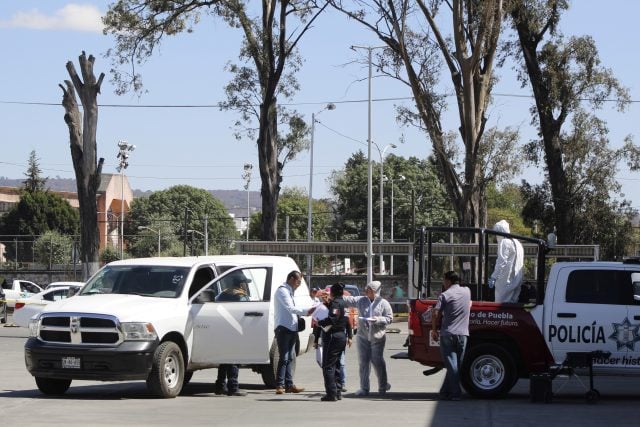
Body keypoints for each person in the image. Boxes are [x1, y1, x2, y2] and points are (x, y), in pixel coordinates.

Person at [342, 280, 393, 397]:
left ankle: (382, 386)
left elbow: (389, 318)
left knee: (377, 361)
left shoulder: (383, 303)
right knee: (363, 362)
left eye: (368, 289)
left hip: (377, 337)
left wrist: (378, 320)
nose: (365, 291)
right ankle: (364, 388)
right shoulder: (361, 300)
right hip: (362, 336)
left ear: (374, 291)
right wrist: (336, 294)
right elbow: (348, 300)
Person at [430, 270, 471, 401]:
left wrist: (434, 330)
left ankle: (455, 393)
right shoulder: (467, 291)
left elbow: (435, 313)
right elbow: (469, 304)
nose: (443, 283)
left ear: (448, 281)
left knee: (452, 366)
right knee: (455, 365)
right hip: (463, 334)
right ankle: (444, 392)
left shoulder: (445, 295)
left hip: (448, 334)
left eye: (443, 280)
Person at [273, 270, 315, 395]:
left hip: (291, 328)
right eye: (298, 281)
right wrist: (307, 311)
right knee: (284, 357)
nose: (299, 284)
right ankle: (279, 385)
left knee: (290, 357)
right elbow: (291, 308)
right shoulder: (282, 291)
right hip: (284, 328)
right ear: (291, 279)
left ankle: (289, 385)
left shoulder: (290, 291)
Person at [213, 272, 250, 396]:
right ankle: (233, 387)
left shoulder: (222, 294)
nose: (246, 286)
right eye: (245, 283)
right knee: (234, 358)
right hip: (236, 330)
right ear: (241, 284)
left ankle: (220, 386)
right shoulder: (242, 297)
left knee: (224, 359)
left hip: (222, 331)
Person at [317, 283, 350, 401]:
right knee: (336, 365)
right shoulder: (343, 303)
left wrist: (319, 322)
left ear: (333, 293)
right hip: (341, 335)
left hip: (333, 336)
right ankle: (338, 391)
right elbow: (345, 320)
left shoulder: (336, 303)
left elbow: (332, 319)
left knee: (328, 366)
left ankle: (331, 393)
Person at [489, 219, 524, 303]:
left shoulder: (504, 242)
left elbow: (501, 261)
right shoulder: (517, 242)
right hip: (517, 278)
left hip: (506, 280)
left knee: (501, 305)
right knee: (513, 304)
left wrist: (494, 276)